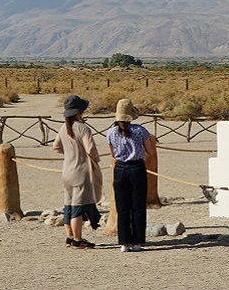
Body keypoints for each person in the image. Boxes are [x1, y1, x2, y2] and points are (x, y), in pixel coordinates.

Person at [53, 95, 102, 249]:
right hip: (81, 173)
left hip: (66, 171)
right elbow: (91, 149)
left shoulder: (63, 128)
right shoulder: (83, 128)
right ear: (80, 112)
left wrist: (69, 153)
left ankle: (69, 237)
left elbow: (56, 147)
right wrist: (95, 159)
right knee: (78, 208)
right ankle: (78, 239)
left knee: (68, 205)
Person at [106, 98, 155, 252]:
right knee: (138, 206)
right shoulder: (140, 130)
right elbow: (150, 151)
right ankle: (137, 241)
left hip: (120, 169)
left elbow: (112, 154)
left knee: (123, 207)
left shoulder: (111, 132)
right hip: (137, 168)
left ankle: (124, 242)